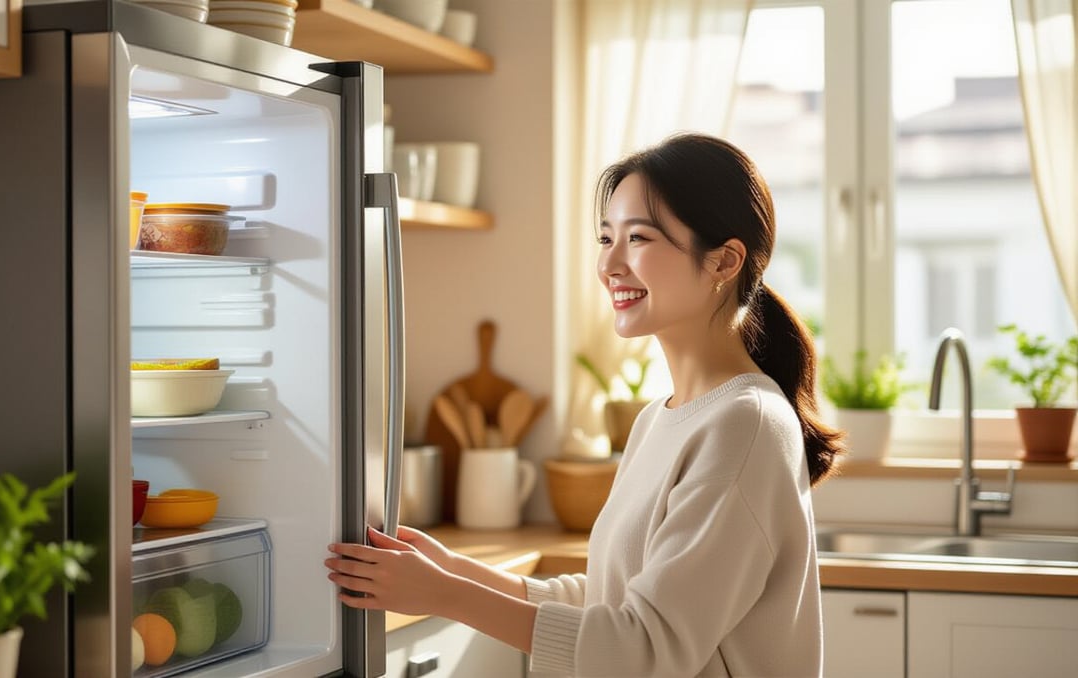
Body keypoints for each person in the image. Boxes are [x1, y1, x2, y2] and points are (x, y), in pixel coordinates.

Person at [325, 132, 843, 677]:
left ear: (723, 261)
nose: (610, 265)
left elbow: (643, 649)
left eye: (638, 238)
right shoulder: (659, 418)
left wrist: (447, 596)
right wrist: (456, 572)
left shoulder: (747, 425)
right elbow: (611, 596)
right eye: (605, 238)